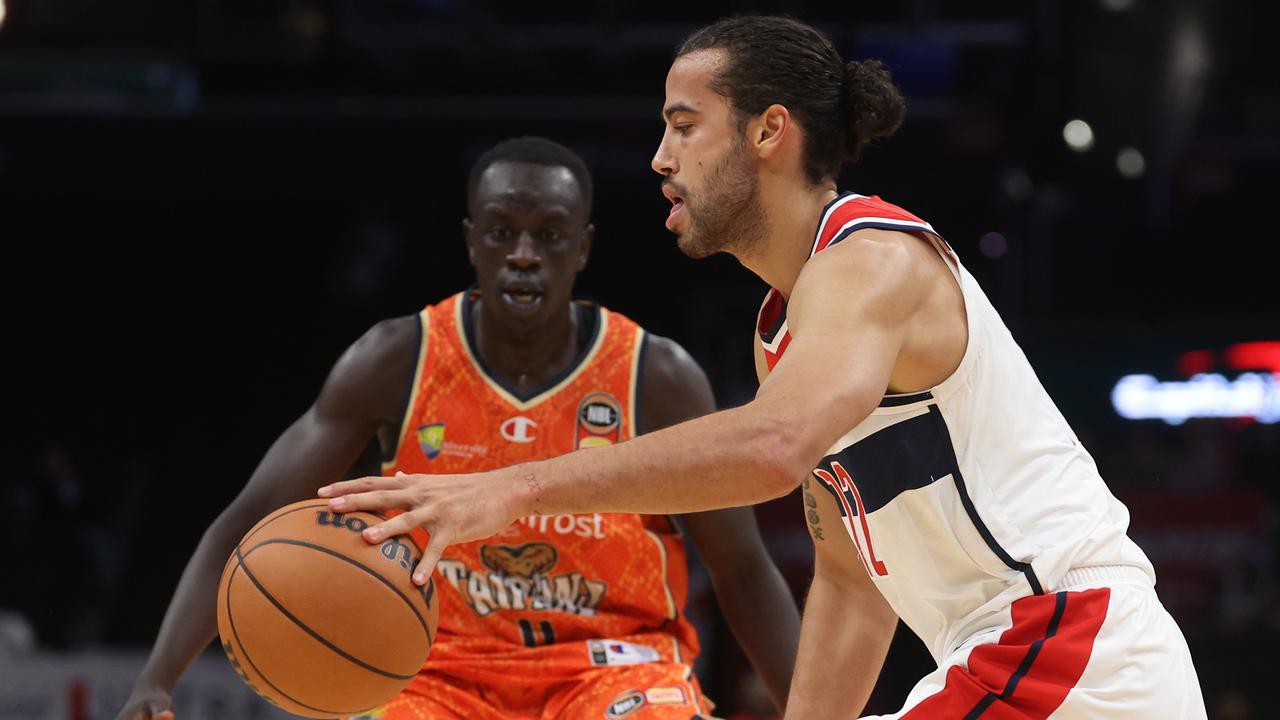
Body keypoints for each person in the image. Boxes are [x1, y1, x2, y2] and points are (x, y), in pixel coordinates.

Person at [322, 17, 1209, 720]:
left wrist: (508, 490)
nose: (661, 160)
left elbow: (773, 445)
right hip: (1036, 661)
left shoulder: (870, 260)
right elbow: (852, 584)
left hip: (1068, 648)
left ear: (768, 132)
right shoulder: (785, 330)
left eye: (683, 126)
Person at [117, 136, 801, 720]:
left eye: (550, 234)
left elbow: (741, 566)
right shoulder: (397, 360)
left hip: (614, 667)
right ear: (473, 241)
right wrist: (156, 678)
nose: (525, 253)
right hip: (439, 669)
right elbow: (246, 525)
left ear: (583, 247)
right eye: (503, 231)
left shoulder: (656, 376)